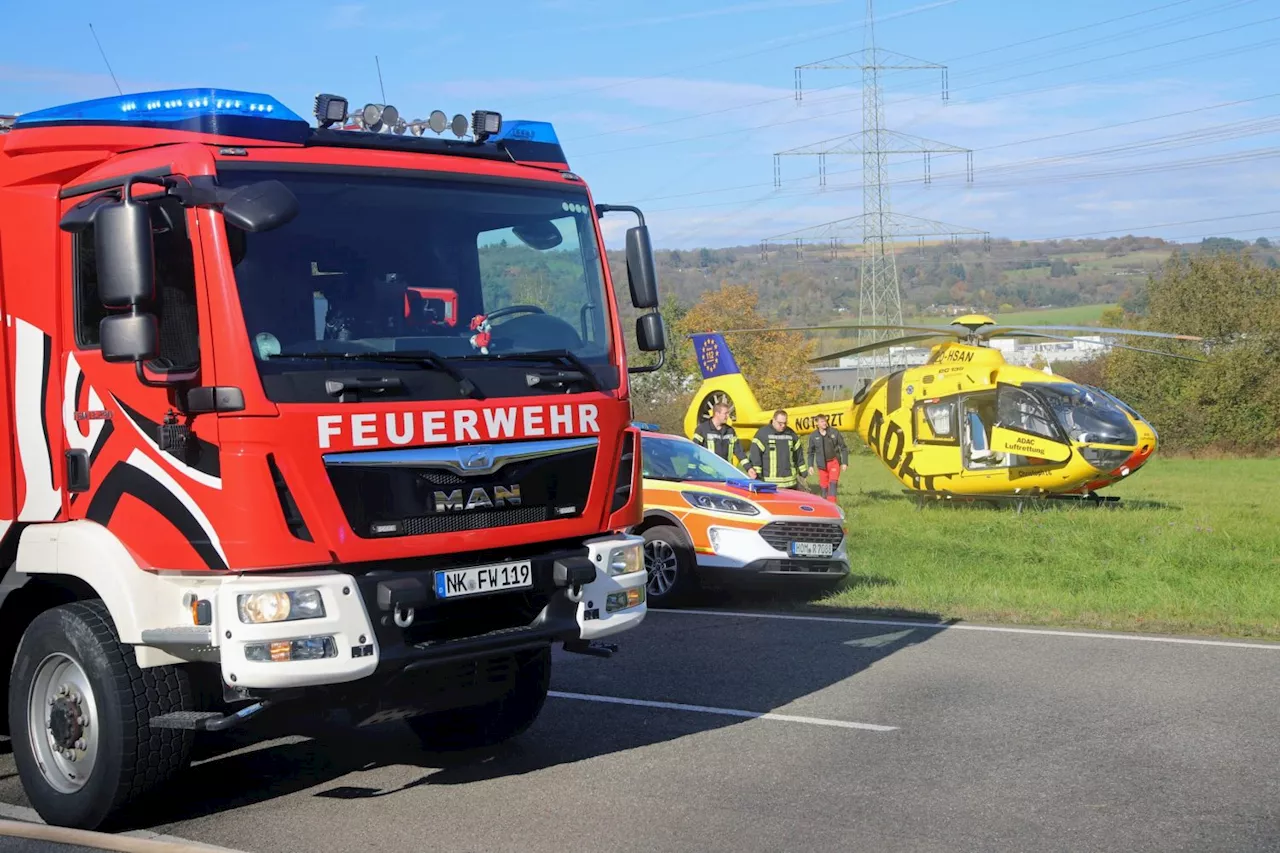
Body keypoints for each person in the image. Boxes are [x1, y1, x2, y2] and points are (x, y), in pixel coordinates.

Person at [693, 402, 758, 478]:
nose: (728, 416)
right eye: (725, 413)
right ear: (717, 413)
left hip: (726, 474)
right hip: (707, 475)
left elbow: (739, 451)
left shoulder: (730, 431)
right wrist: (692, 471)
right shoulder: (702, 429)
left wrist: (749, 468)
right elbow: (694, 451)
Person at [749, 409, 807, 489]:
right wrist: (757, 476)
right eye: (780, 423)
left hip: (791, 483)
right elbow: (755, 456)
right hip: (770, 484)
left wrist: (803, 472)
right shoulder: (763, 434)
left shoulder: (791, 434)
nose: (783, 426)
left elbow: (798, 454)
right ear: (773, 420)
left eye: (785, 423)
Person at [806, 413, 848, 502]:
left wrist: (844, 462)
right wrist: (810, 465)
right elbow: (810, 452)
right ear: (817, 423)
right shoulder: (813, 436)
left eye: (825, 421)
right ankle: (825, 506)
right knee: (824, 488)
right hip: (822, 465)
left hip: (834, 463)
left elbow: (843, 447)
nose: (824, 423)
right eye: (822, 421)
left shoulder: (834, 432)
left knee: (833, 484)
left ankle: (833, 506)